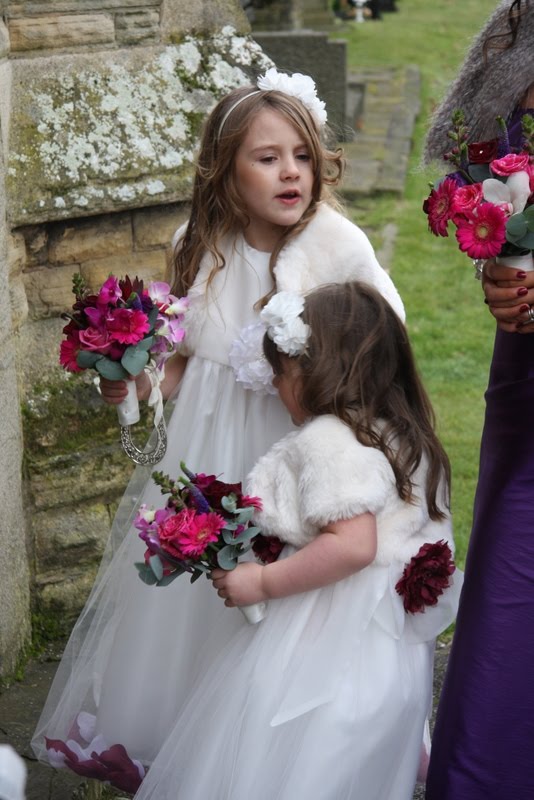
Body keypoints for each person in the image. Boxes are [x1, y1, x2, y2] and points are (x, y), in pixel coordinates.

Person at [31, 69, 404, 794]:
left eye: (301, 153)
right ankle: (180, 738)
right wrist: (133, 380)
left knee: (283, 597)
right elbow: (176, 364)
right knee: (197, 605)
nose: (290, 171)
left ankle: (276, 751)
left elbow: (385, 345)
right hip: (207, 452)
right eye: (267, 158)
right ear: (224, 171)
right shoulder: (199, 243)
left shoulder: (339, 246)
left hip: (293, 453)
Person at [131, 281, 462, 800]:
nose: (278, 388)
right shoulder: (401, 432)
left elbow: (354, 546)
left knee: (288, 745)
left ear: (315, 372)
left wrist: (262, 580)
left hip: (322, 636)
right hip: (380, 646)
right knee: (351, 765)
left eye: (280, 374)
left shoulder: (332, 441)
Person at [424, 2, 534, 798]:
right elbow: (488, 170)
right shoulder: (514, 31)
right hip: (527, 366)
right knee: (510, 569)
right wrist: (496, 262)